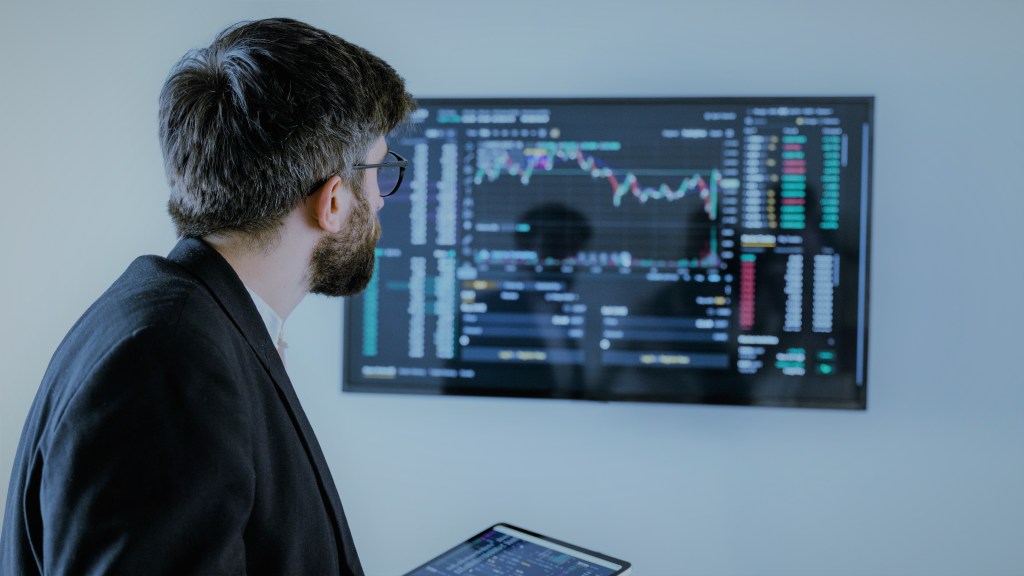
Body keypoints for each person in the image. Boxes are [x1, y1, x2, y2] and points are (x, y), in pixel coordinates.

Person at [0, 17, 415, 575]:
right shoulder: (168, 362)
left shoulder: (189, 325)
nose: (383, 199)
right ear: (333, 200)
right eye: (378, 169)